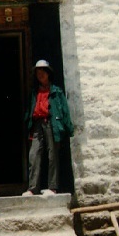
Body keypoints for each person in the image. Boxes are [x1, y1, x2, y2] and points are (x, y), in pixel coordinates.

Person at [23, 59, 74, 196]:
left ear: (48, 73)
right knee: (34, 155)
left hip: (51, 123)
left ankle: (52, 187)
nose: (40, 75)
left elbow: (64, 111)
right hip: (37, 124)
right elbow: (29, 110)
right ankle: (32, 188)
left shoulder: (56, 92)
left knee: (53, 155)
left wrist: (68, 128)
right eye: (38, 73)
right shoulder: (35, 93)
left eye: (42, 72)